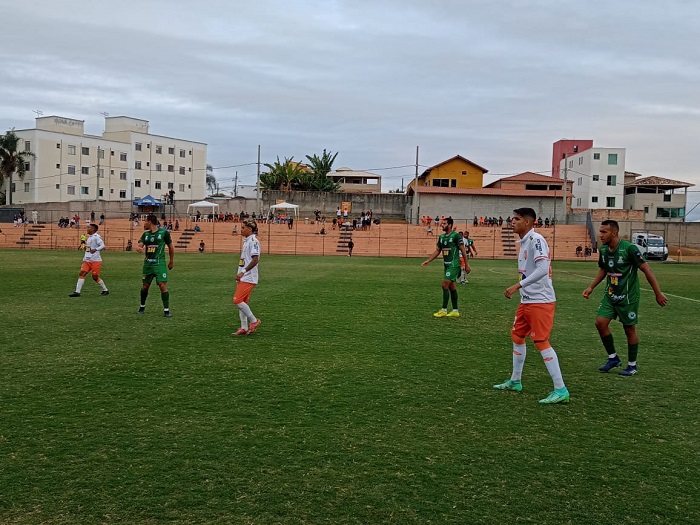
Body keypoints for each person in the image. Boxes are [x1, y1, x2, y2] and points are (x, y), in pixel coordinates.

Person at [494, 207, 570, 404]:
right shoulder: (524, 241)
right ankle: (515, 380)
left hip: (540, 300)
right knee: (517, 335)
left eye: (517, 219)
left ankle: (561, 390)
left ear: (527, 222)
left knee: (541, 341)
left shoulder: (536, 240)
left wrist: (517, 285)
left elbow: (543, 269)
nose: (512, 222)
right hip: (527, 299)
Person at [582, 220, 668, 376]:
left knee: (629, 329)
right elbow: (604, 269)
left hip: (628, 297)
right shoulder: (604, 250)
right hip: (610, 295)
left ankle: (632, 365)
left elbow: (647, 270)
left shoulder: (629, 249)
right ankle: (613, 358)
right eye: (600, 231)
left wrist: (658, 293)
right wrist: (591, 287)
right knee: (600, 323)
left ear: (614, 233)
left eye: (604, 232)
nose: (600, 235)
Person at [421, 217, 468, 318]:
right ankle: (455, 311)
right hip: (446, 265)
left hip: (454, 265)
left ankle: (443, 310)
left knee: (444, 284)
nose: (442, 225)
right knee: (452, 287)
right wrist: (428, 260)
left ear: (450, 225)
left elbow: (463, 250)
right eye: (442, 223)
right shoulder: (441, 237)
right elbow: (438, 250)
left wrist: (467, 265)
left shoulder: (455, 236)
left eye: (444, 223)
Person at [136, 214, 174, 317]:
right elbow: (140, 245)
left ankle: (166, 310)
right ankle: (142, 306)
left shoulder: (164, 233)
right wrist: (139, 248)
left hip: (159, 263)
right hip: (148, 264)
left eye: (145, 221)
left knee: (162, 285)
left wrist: (171, 261)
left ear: (149, 222)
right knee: (145, 286)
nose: (144, 224)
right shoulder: (145, 234)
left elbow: (171, 247)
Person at [233, 219, 262, 335]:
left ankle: (254, 321)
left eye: (243, 228)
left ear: (250, 229)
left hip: (249, 277)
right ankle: (244, 327)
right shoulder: (247, 241)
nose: (241, 230)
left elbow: (255, 260)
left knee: (237, 300)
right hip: (244, 276)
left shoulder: (253, 241)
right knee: (243, 302)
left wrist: (243, 272)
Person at [69, 224, 110, 297]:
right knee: (82, 273)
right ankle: (77, 292)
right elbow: (90, 248)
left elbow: (102, 246)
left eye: (89, 227)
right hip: (87, 260)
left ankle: (105, 290)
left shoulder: (96, 237)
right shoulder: (89, 238)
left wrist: (96, 249)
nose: (87, 229)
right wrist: (86, 248)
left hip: (95, 260)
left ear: (93, 229)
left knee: (95, 277)